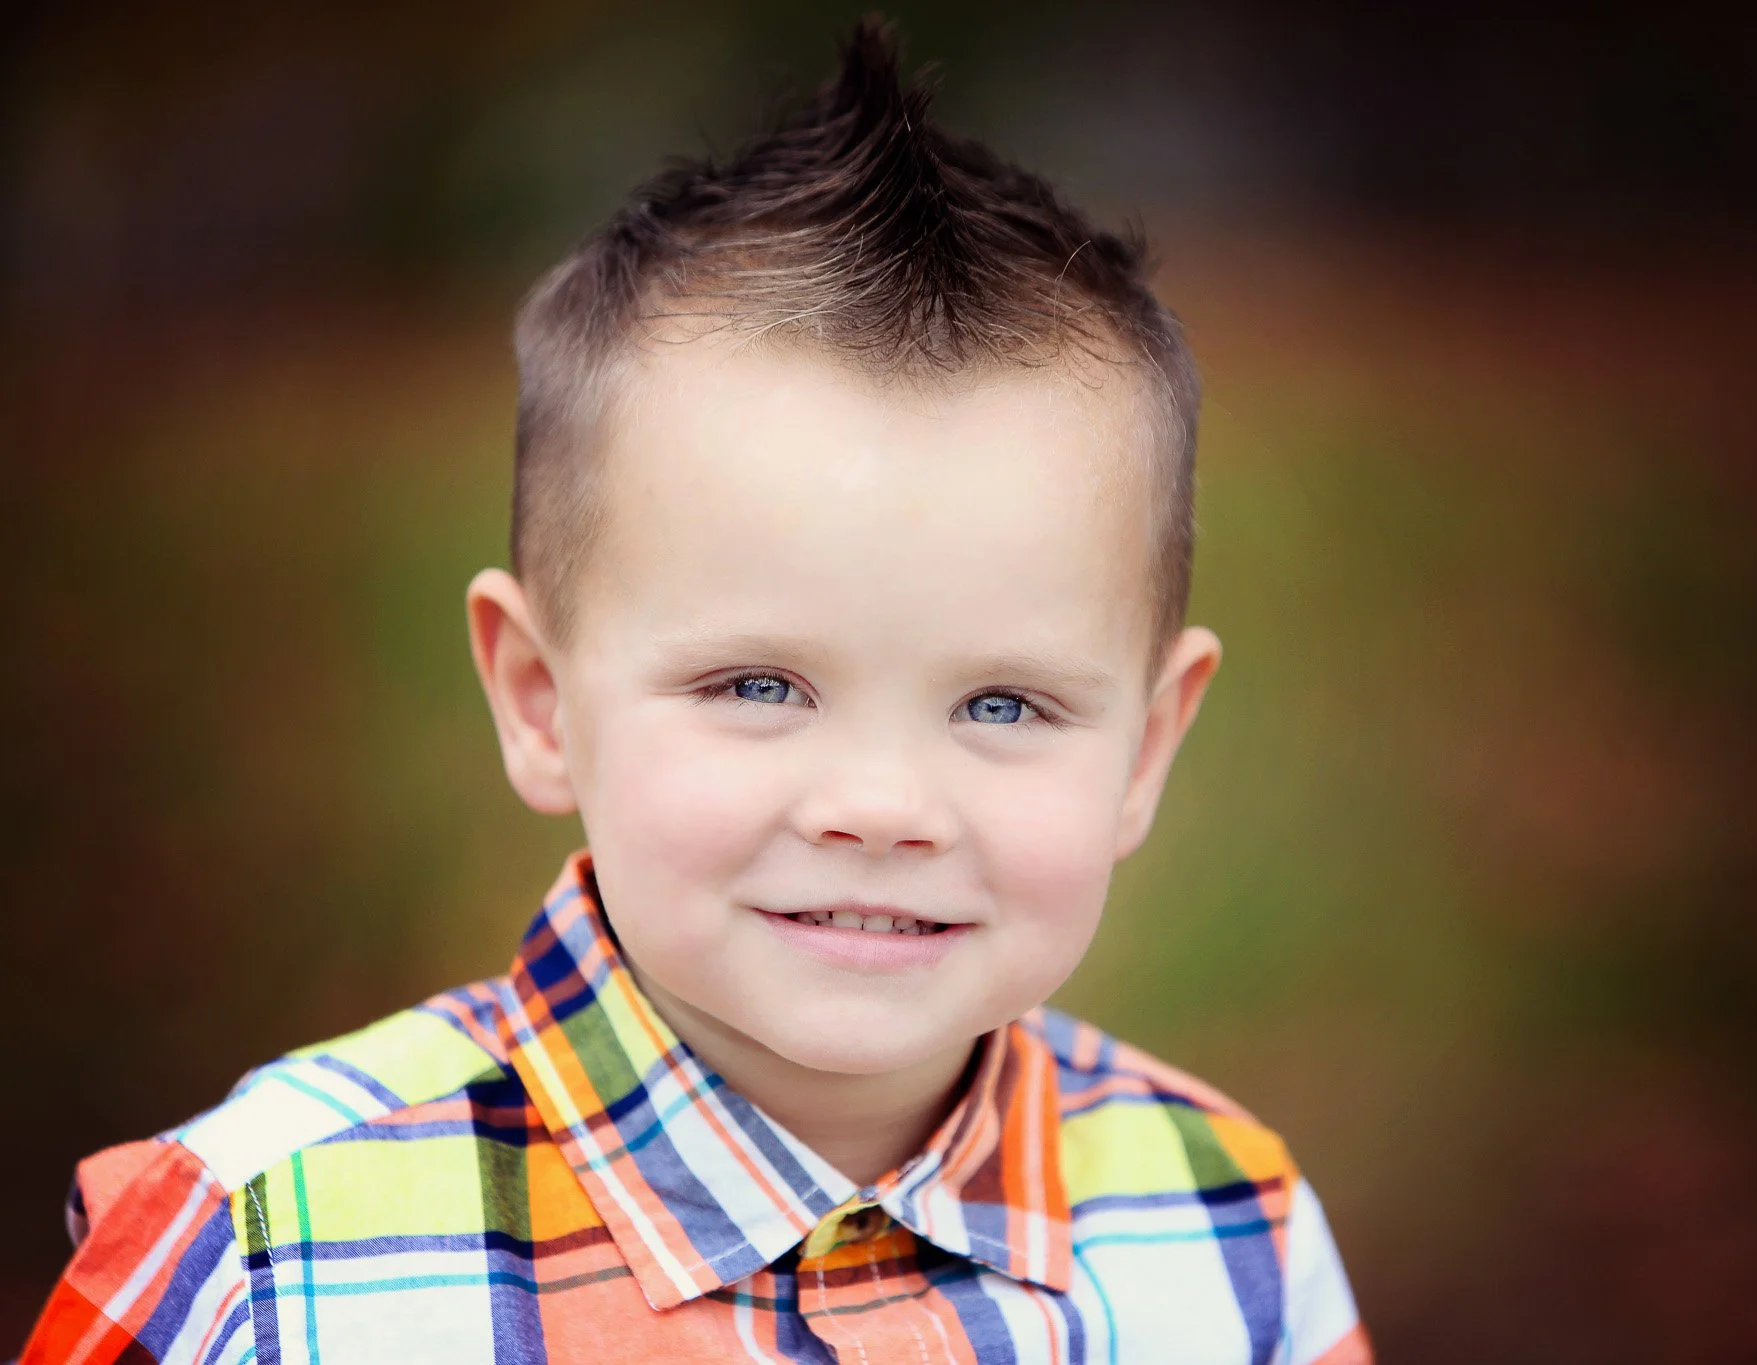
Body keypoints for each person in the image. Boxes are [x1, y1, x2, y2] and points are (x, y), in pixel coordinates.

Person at [20, 21, 1368, 1365]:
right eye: (762, 684)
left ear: (1146, 748)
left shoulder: (1233, 1236)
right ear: (541, 699)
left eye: (1003, 706)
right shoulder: (263, 1263)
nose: (884, 807)